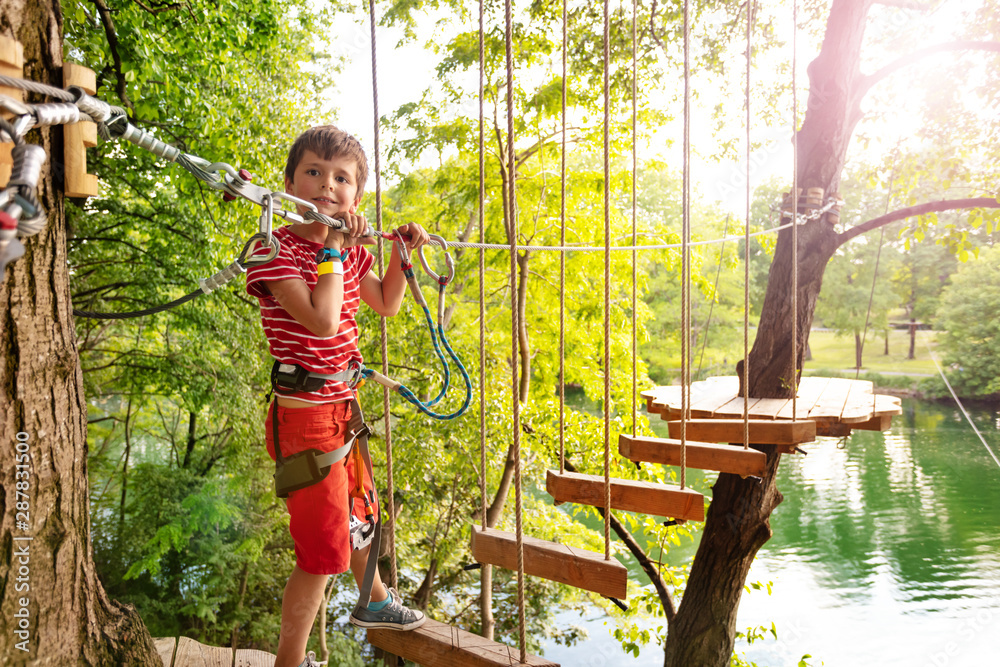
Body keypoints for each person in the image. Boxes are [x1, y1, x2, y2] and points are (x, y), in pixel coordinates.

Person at [245, 125, 429, 667]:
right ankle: (290, 660)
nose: (328, 186)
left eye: (341, 178)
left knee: (360, 519)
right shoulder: (272, 249)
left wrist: (401, 253)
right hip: (303, 421)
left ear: (357, 195)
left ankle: (374, 603)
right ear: (288, 182)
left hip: (342, 410)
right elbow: (323, 322)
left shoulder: (347, 252)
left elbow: (387, 303)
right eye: (314, 172)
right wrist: (332, 247)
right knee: (322, 555)